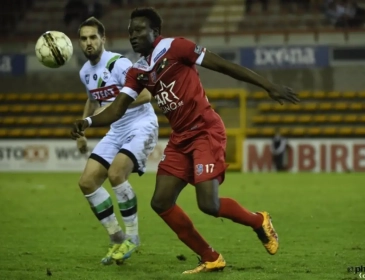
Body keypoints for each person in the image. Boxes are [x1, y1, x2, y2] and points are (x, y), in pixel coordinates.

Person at [71, 8, 299, 274]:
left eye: (139, 30)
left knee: (209, 205)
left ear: (155, 31)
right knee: (161, 202)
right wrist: (87, 122)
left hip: (204, 130)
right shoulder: (138, 71)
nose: (133, 35)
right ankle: (210, 256)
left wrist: (267, 85)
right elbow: (117, 108)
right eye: (131, 31)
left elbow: (224, 65)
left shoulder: (176, 47)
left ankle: (258, 220)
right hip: (180, 139)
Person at [76, 16, 158, 265]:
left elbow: (146, 94)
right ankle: (116, 238)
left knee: (116, 174)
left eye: (93, 37)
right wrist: (83, 129)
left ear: (103, 39)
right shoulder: (85, 72)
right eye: (83, 38)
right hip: (116, 129)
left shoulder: (118, 64)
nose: (88, 42)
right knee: (87, 182)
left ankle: (133, 237)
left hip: (141, 125)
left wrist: (116, 106)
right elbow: (93, 99)